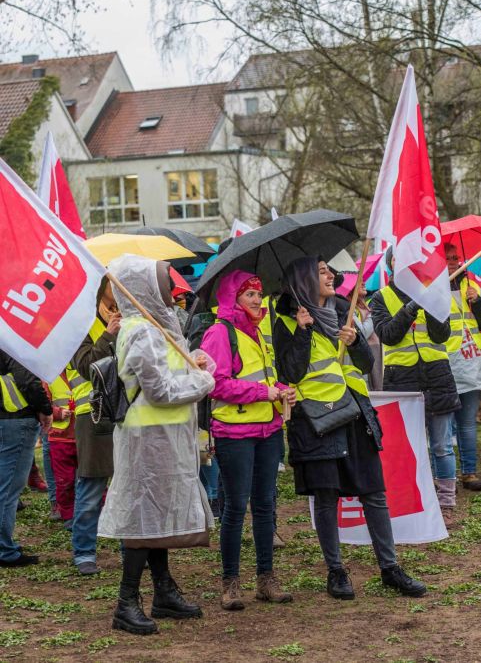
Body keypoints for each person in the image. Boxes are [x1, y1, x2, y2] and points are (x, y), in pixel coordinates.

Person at [274, 256, 426, 600]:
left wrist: (356, 341)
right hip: (318, 420)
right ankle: (336, 572)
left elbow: (366, 363)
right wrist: (302, 331)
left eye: (330, 269)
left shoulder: (344, 311)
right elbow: (291, 373)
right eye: (322, 271)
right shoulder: (286, 319)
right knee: (327, 498)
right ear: (303, 280)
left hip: (356, 414)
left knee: (374, 493)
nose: (331, 275)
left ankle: (390, 568)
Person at [98, 254, 216, 636]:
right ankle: (126, 602)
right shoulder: (140, 331)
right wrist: (202, 383)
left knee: (157, 516)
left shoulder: (158, 327)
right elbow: (160, 391)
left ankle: (163, 592)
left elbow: (166, 374)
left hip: (165, 440)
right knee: (143, 519)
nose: (173, 287)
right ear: (145, 288)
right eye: (164, 280)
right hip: (148, 443)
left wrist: (192, 362)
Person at [201, 270, 295, 611]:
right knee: (236, 508)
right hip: (234, 434)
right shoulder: (219, 333)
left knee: (267, 506)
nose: (257, 300)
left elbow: (263, 378)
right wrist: (264, 392)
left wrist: (282, 392)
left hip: (268, 431)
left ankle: (266, 580)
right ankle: (230, 583)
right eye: (249, 294)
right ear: (232, 298)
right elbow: (215, 383)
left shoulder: (257, 332)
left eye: (259, 293)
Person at [371, 247, 460, 524]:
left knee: (442, 445)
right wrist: (410, 308)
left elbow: (441, 334)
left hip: (438, 378)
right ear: (391, 265)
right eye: (399, 259)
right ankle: (419, 500)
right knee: (412, 446)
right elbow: (388, 335)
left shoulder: (433, 291)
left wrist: (431, 301)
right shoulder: (380, 298)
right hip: (403, 383)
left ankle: (446, 503)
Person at [70, 277, 121, 575]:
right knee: (92, 485)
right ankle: (84, 551)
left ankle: (132, 547)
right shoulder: (83, 324)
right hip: (93, 414)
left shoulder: (132, 317)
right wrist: (107, 335)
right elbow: (86, 366)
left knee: (127, 484)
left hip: (127, 413)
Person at [0, 351, 52, 567]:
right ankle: (4, 550)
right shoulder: (11, 339)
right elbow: (27, 379)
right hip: (16, 418)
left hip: (6, 418)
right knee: (9, 487)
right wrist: (46, 408)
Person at [444, 243, 481, 491]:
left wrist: (477, 302)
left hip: (471, 364)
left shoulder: (471, 287)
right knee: (443, 427)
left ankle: (469, 474)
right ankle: (444, 478)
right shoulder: (430, 290)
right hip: (444, 366)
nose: (455, 262)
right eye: (448, 258)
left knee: (467, 423)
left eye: (457, 257)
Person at [43, 372, 78, 530]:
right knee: (65, 480)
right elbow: (42, 404)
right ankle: (68, 515)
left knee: (91, 477)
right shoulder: (49, 376)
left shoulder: (81, 371)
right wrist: (57, 413)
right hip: (60, 438)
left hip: (83, 436)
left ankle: (97, 512)